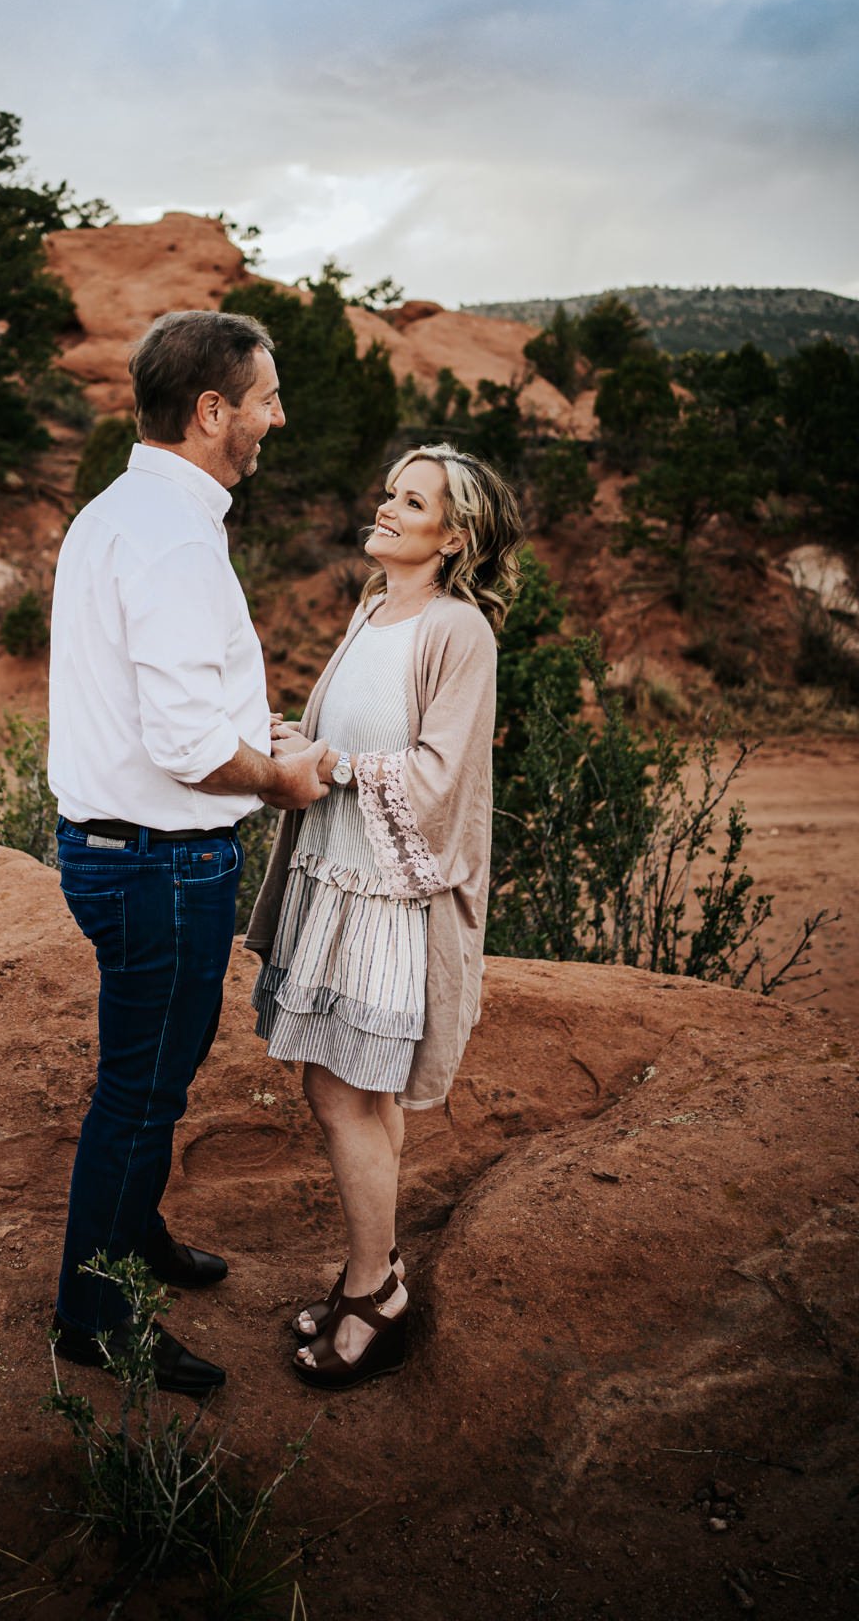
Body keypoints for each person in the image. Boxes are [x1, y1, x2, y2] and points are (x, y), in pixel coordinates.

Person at [49, 308, 331, 1395]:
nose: (277, 415)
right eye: (264, 397)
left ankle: (135, 1229)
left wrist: (244, 729)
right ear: (210, 410)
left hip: (118, 846)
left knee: (149, 1074)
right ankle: (97, 1312)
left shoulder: (121, 510)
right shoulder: (170, 532)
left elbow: (150, 698)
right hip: (163, 862)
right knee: (143, 1090)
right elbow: (177, 744)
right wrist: (278, 775)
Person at [247, 443, 523, 1389]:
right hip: (332, 877)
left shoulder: (459, 634)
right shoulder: (372, 609)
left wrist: (332, 766)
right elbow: (347, 733)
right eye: (390, 493)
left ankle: (372, 1295)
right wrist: (300, 743)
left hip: (386, 904)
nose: (387, 509)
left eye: (413, 503)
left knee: (341, 1096)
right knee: (351, 1094)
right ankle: (378, 1270)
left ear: (453, 538)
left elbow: (442, 781)